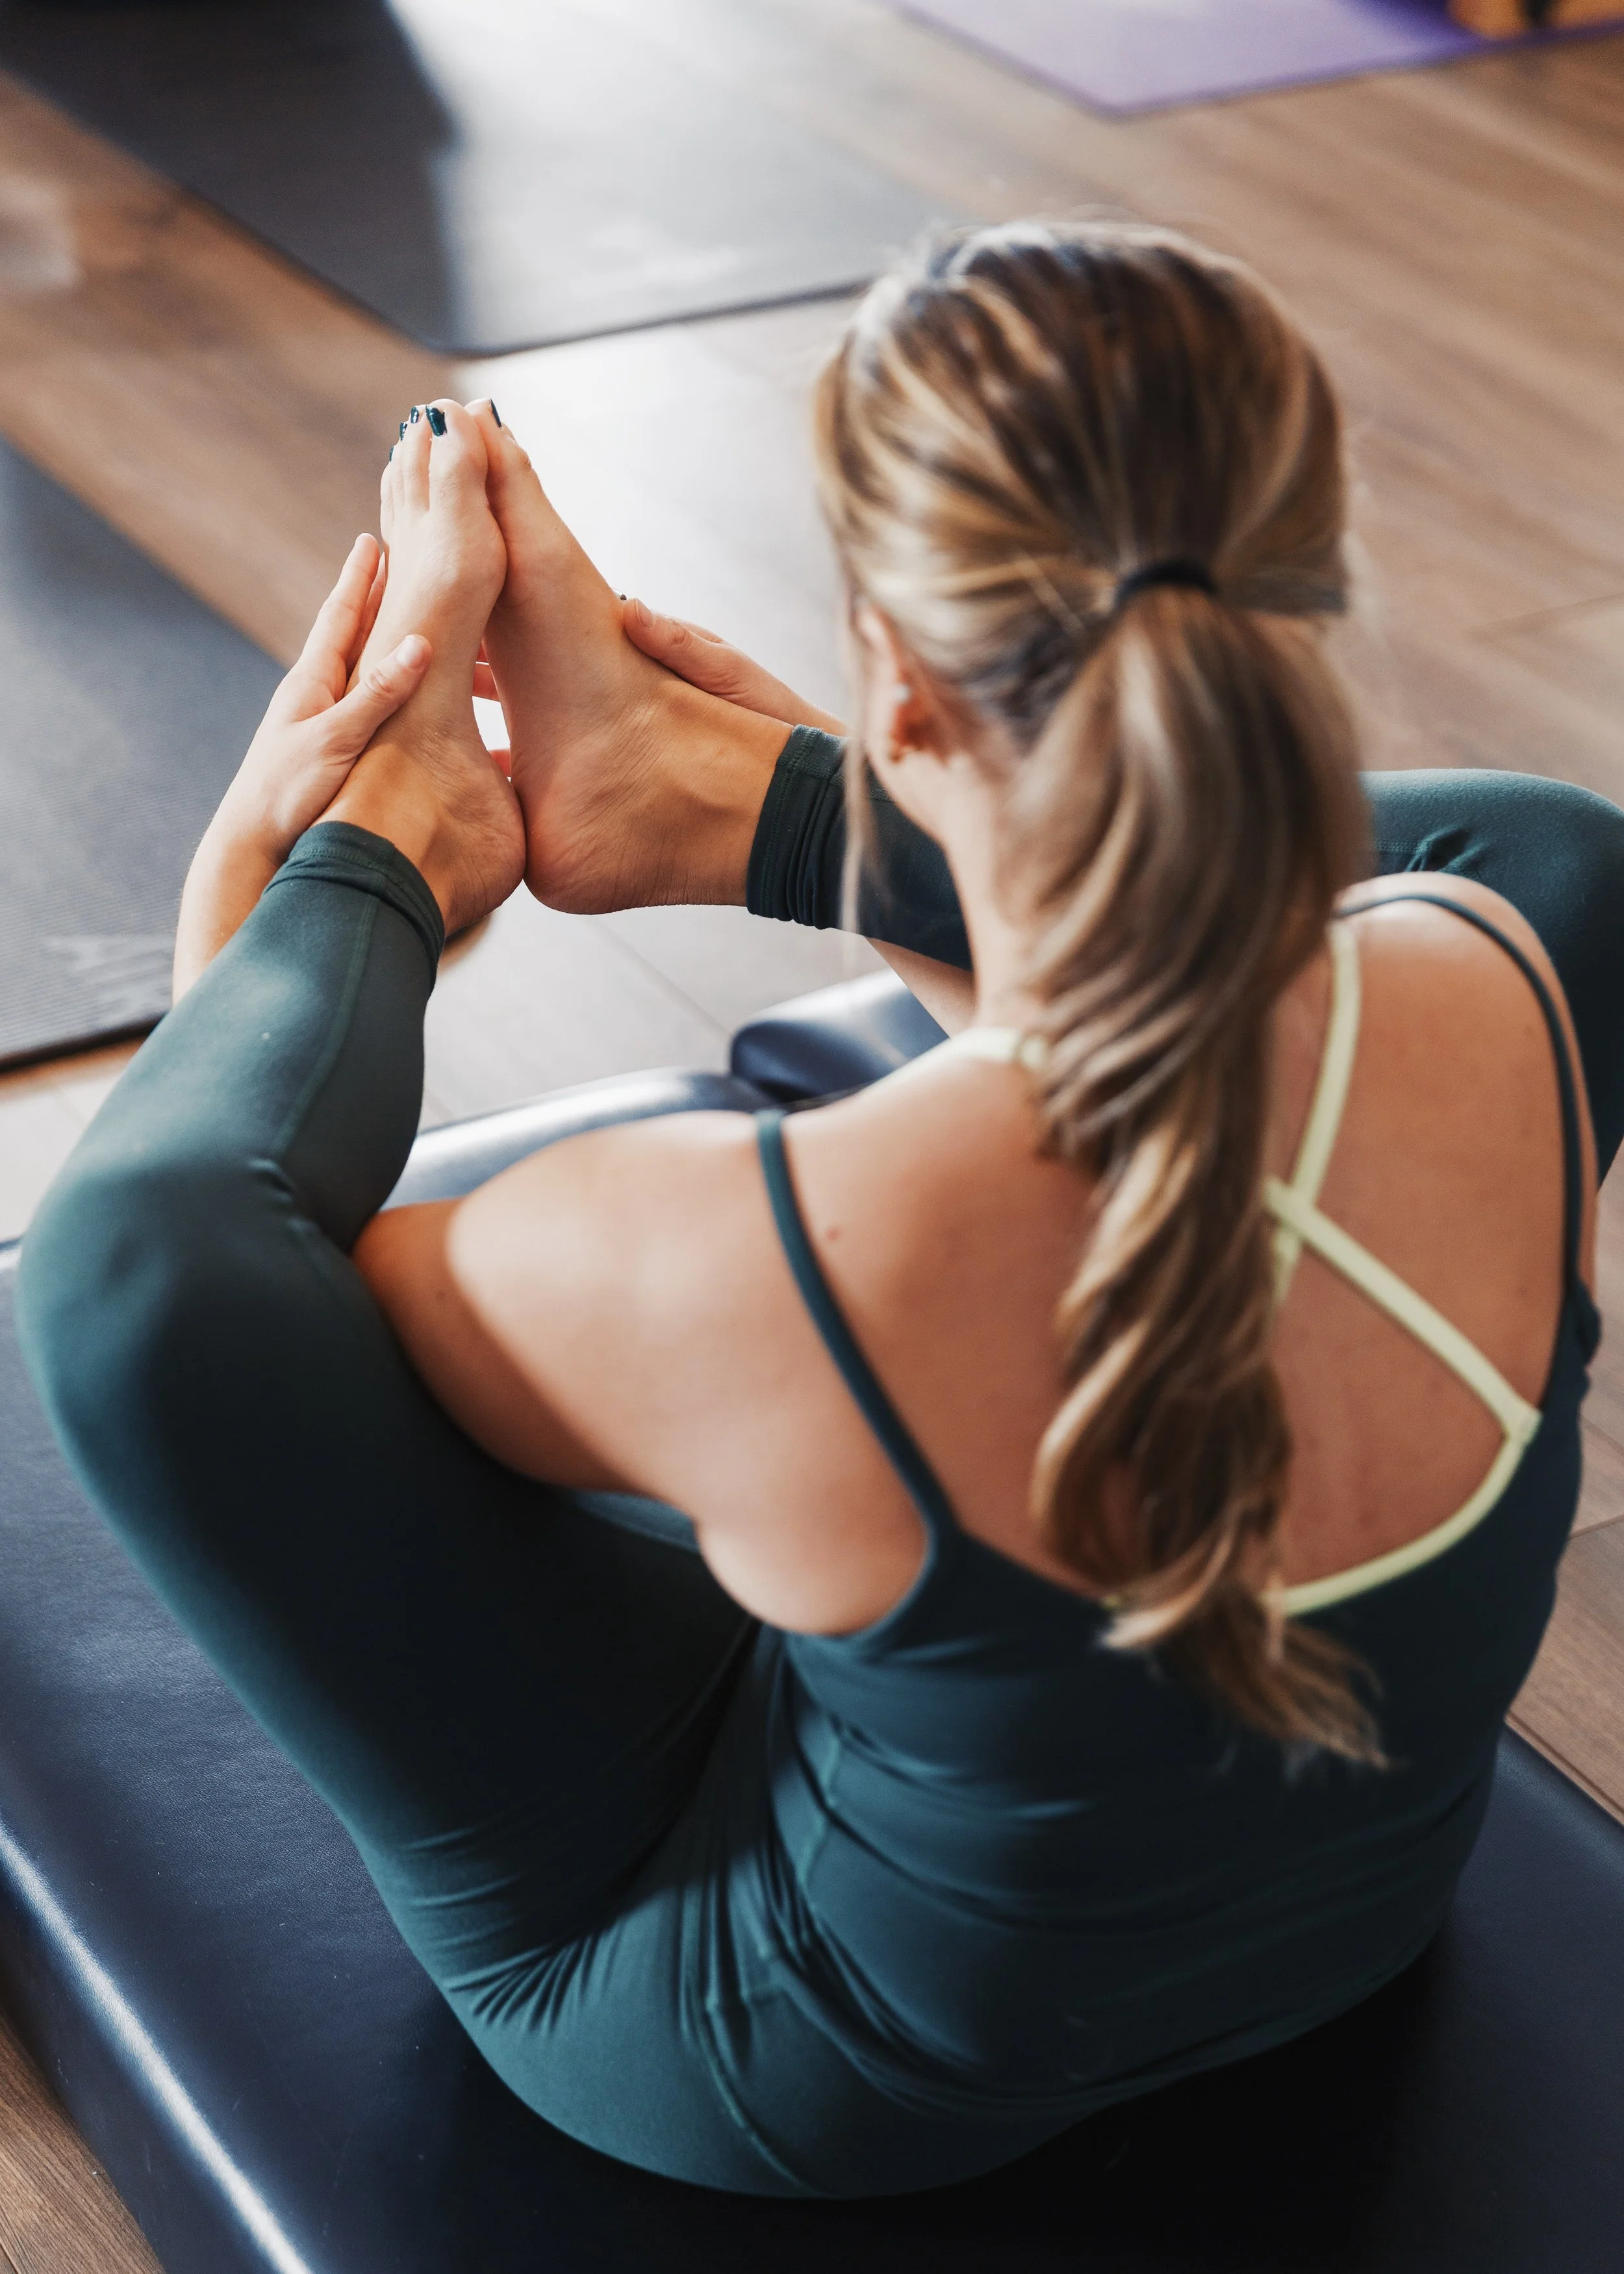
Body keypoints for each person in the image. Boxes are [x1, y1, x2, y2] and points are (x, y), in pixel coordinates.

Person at [17, 222, 1624, 2200]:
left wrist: (307, 900)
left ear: (900, 677)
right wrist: (862, 812)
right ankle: (727, 799)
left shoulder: (752, 1257)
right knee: (1571, 846)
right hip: (1358, 1913)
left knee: (127, 1293)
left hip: (801, 2072)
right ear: (1294, 596)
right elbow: (1190, 1099)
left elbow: (226, 1290)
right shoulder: (1514, 981)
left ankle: (486, 823)